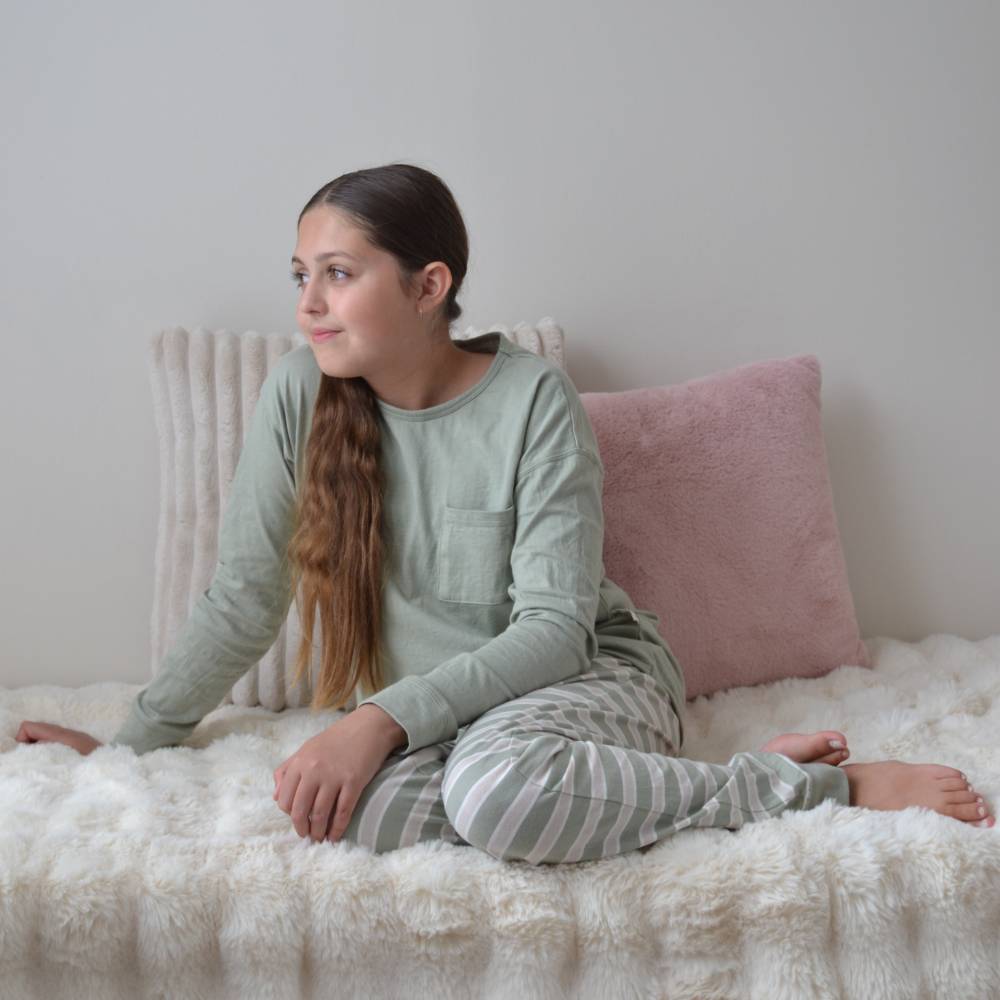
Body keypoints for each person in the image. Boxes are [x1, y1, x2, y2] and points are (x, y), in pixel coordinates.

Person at [16, 163, 994, 863]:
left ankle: (814, 784)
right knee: (354, 817)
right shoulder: (298, 394)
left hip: (586, 673)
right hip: (449, 718)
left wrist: (379, 717)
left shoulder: (532, 401)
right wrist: (131, 744)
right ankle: (642, 790)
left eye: (339, 273)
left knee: (497, 791)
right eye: (301, 275)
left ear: (429, 286)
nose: (309, 302)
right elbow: (244, 594)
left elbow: (555, 631)